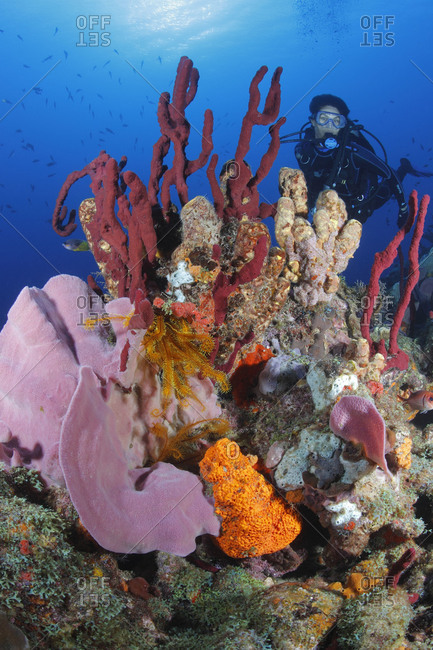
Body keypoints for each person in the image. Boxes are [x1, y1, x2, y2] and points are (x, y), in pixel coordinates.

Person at [280, 94, 432, 226]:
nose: (329, 126)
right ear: (313, 121)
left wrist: (403, 208)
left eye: (336, 121)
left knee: (385, 193)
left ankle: (404, 168)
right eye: (323, 119)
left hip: (360, 203)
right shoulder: (302, 152)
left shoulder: (353, 152)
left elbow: (388, 173)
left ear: (343, 125)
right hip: (326, 207)